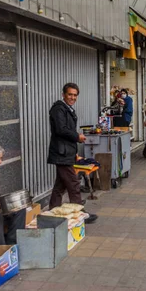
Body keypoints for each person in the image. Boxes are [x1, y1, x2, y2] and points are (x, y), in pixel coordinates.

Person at [47, 83, 98, 223]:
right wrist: (77, 137)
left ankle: (52, 211)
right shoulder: (58, 109)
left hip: (66, 152)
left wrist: (74, 151)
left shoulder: (67, 109)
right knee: (74, 184)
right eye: (70, 94)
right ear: (63, 94)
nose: (72, 97)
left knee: (60, 185)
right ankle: (80, 214)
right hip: (61, 153)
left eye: (75, 95)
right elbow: (61, 129)